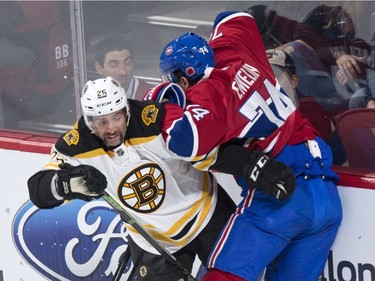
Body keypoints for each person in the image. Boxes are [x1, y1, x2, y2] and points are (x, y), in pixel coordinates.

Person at [27, 77, 295, 280]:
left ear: (126, 110)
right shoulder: (75, 146)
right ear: (88, 120)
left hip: (208, 215)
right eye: (101, 122)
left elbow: (205, 149)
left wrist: (250, 165)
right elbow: (38, 189)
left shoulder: (154, 120)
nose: (111, 129)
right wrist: (72, 183)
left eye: (116, 118)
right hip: (154, 241)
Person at [157, 11, 342, 281]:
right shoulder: (234, 51)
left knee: (222, 276)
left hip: (283, 193)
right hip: (326, 193)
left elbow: (185, 142)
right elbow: (234, 16)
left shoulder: (206, 99)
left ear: (183, 80)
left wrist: (165, 105)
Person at [266, 48, 347, 165]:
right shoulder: (264, 112)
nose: (270, 83)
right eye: (265, 76)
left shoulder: (310, 111)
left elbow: (312, 162)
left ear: (294, 81)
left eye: (277, 76)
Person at [94, 33, 152, 100]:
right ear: (99, 68)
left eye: (127, 63)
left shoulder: (151, 96)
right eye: (114, 65)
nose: (123, 72)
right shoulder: (92, 96)